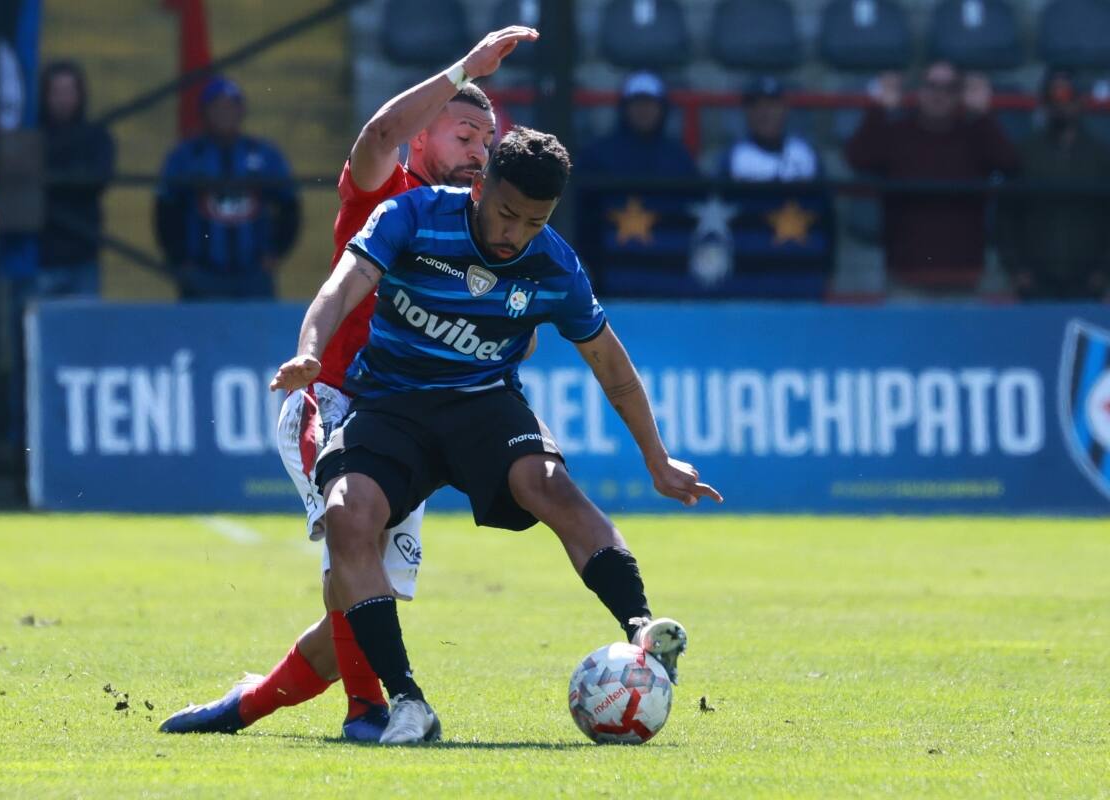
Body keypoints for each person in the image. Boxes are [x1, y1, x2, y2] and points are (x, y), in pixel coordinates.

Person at [269, 126, 723, 744]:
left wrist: (658, 458)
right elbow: (341, 287)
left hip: (483, 405)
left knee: (552, 486)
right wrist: (309, 353)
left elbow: (613, 370)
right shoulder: (412, 215)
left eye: (534, 222)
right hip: (391, 403)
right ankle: (408, 703)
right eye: (507, 213)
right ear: (479, 186)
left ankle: (642, 630)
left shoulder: (555, 265)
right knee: (350, 514)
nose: (515, 235)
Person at [158, 26, 534, 739]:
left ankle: (246, 705)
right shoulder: (381, 190)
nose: (476, 155)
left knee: (369, 604)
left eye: (486, 145)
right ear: (423, 137)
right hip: (329, 403)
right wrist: (465, 67)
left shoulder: (475, 229)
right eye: (462, 135)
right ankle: (368, 711)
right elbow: (377, 130)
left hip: (405, 424)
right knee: (351, 544)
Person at [845, 60, 1019, 295]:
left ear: (959, 94)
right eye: (932, 86)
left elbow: (1010, 165)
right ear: (919, 91)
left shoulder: (975, 134)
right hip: (906, 276)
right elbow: (857, 158)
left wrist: (983, 113)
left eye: (948, 88)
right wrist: (878, 108)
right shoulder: (897, 134)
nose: (939, 95)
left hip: (964, 277)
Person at [154, 77, 299, 301]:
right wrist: (179, 259)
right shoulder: (185, 156)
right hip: (201, 273)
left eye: (231, 106)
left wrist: (275, 253)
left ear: (241, 111)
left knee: (257, 333)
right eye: (217, 107)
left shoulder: (264, 154)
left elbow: (289, 206)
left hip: (254, 275)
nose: (225, 113)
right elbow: (165, 210)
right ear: (205, 112)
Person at [575, 71, 700, 296]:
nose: (644, 110)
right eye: (637, 103)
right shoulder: (597, 154)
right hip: (609, 273)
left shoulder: (679, 157)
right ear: (625, 107)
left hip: (669, 272)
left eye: (650, 103)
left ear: (662, 108)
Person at [712, 77, 833, 298]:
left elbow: (827, 214)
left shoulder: (806, 155)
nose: (765, 113)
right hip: (748, 276)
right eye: (757, 106)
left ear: (784, 110)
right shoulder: (733, 159)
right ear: (747, 113)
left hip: (803, 274)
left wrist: (828, 268)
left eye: (773, 105)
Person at [997, 69, 1110, 301]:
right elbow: (1005, 216)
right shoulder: (1024, 153)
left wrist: (1105, 270)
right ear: (1044, 104)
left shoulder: (1101, 155)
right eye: (1053, 98)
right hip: (1035, 276)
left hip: (1089, 276)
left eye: (1068, 97)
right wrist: (1015, 269)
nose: (1062, 104)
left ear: (1080, 101)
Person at [38, 59, 116, 297]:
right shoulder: (31, 138)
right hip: (41, 256)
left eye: (69, 91)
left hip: (82, 256)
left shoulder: (97, 137)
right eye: (57, 92)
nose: (63, 99)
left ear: (80, 95)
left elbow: (97, 181)